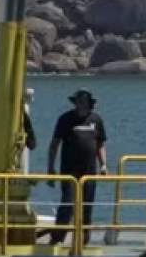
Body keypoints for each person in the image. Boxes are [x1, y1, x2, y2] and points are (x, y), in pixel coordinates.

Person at [46, 88, 107, 247]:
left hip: (89, 171)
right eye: (79, 100)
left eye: (84, 100)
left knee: (87, 206)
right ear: (75, 102)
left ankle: (83, 240)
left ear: (89, 102)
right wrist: (50, 168)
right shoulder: (65, 119)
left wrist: (104, 165)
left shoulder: (96, 119)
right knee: (68, 203)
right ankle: (57, 238)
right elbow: (54, 145)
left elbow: (100, 144)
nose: (81, 103)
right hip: (69, 171)